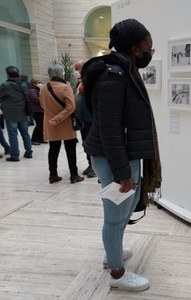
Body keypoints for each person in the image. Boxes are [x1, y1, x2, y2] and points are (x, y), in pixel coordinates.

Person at [81, 18, 162, 292]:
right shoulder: (112, 76)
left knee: (122, 215)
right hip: (115, 156)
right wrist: (122, 172)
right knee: (115, 218)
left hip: (122, 153)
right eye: (149, 47)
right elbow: (109, 129)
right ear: (135, 49)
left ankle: (111, 254)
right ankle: (117, 274)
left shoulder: (124, 70)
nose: (151, 52)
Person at [39, 63, 84, 184]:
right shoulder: (65, 87)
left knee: (53, 149)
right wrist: (59, 118)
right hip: (65, 124)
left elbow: (43, 105)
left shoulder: (43, 87)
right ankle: (74, 175)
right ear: (61, 73)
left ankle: (53, 175)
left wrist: (53, 117)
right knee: (70, 149)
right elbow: (71, 107)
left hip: (50, 123)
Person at [0, 66, 33, 162]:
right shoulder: (23, 85)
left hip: (11, 114)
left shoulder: (5, 85)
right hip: (23, 112)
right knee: (25, 134)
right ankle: (29, 152)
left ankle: (15, 155)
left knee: (13, 135)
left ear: (8, 74)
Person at [73, 60, 96, 178]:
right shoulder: (81, 81)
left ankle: (95, 166)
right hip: (82, 117)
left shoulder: (92, 81)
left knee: (91, 143)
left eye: (78, 69)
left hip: (91, 118)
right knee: (85, 143)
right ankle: (90, 164)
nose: (77, 72)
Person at [28, 78, 47, 145]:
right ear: (34, 83)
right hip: (36, 110)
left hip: (40, 110)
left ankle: (40, 138)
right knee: (39, 125)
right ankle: (34, 139)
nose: (40, 84)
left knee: (42, 125)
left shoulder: (37, 89)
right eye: (39, 82)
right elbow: (36, 99)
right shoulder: (31, 90)